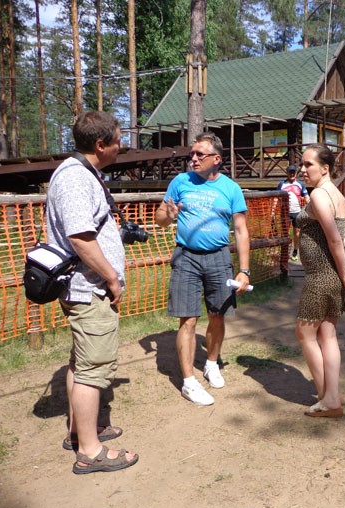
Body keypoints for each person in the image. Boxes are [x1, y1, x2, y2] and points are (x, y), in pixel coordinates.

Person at [46, 110, 138, 474]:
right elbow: (81, 238)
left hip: (87, 287)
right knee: (92, 369)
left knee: (81, 362)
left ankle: (79, 430)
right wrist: (112, 278)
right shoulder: (73, 178)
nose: (121, 147)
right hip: (89, 288)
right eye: (117, 140)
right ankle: (90, 450)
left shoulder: (83, 174)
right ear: (100, 145)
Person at [155, 133, 251, 406]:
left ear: (216, 159)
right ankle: (188, 382)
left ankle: (211, 363)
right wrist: (168, 216)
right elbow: (160, 217)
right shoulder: (180, 182)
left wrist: (244, 270)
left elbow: (242, 231)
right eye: (192, 154)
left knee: (217, 316)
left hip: (219, 259)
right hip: (186, 257)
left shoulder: (231, 188)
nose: (193, 159)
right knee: (188, 320)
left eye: (200, 154)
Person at [295, 144, 345, 418]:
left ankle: (329, 398)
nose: (302, 169)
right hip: (335, 274)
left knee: (305, 333)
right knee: (327, 334)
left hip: (322, 276)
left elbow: (336, 237)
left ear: (325, 168)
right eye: (302, 164)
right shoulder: (338, 195)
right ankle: (330, 394)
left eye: (308, 164)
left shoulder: (320, 195)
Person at [277, 165, 310, 260]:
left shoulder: (300, 184)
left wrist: (311, 205)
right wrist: (272, 211)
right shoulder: (281, 184)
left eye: (293, 172)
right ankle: (284, 253)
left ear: (296, 173)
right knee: (284, 234)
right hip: (285, 213)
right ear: (287, 173)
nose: (292, 174)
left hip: (297, 213)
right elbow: (276, 197)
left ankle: (295, 251)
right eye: (290, 172)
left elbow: (306, 196)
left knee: (297, 233)